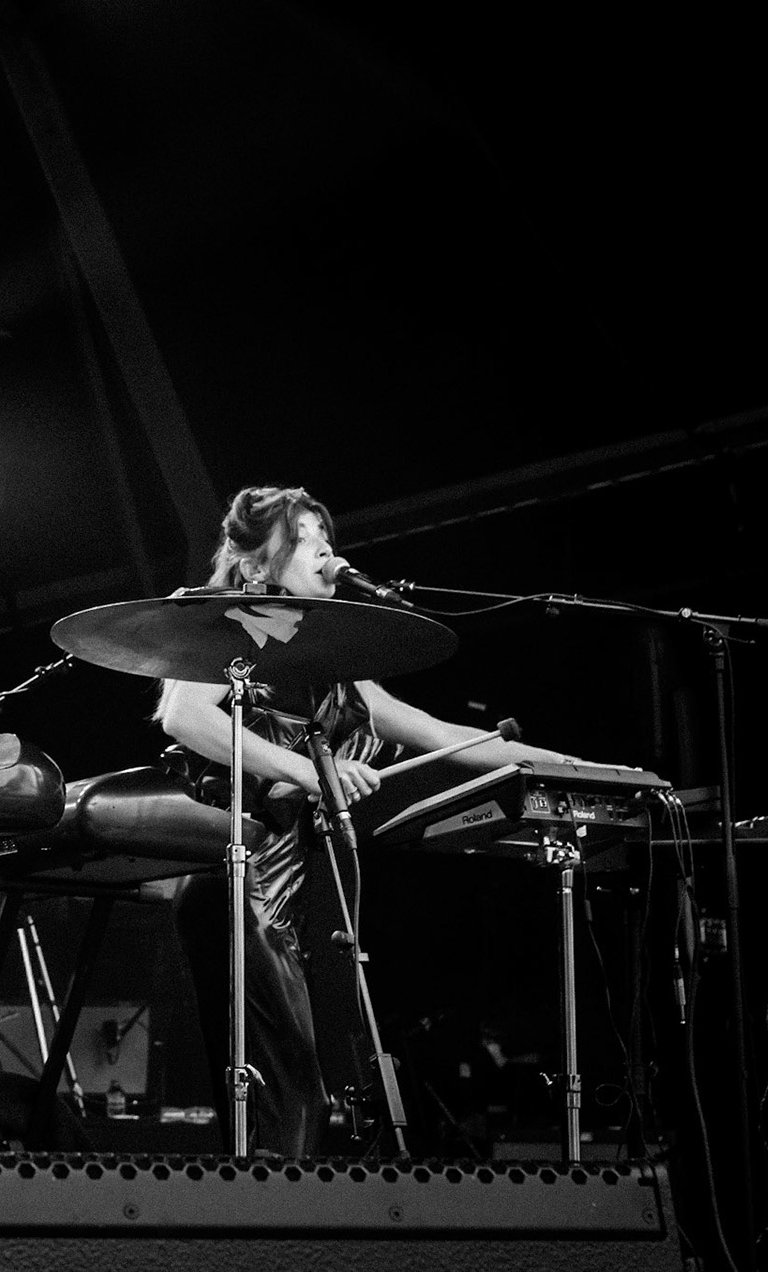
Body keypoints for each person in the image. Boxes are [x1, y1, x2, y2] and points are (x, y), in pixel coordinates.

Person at [154, 485, 576, 1158]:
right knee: (291, 1091)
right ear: (259, 568)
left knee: (324, 1092)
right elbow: (182, 716)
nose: (326, 550)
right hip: (240, 882)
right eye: (304, 539)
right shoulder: (230, 624)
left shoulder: (336, 670)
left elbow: (442, 733)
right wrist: (305, 771)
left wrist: (567, 763)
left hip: (302, 900)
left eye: (327, 536)